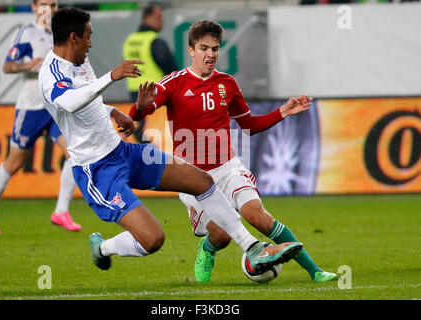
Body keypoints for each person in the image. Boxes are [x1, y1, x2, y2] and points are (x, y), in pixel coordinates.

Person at [38, 7, 303, 277]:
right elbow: (69, 102)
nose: (91, 42)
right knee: (153, 239)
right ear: (73, 38)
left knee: (201, 180)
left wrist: (113, 111)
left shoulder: (80, 60)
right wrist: (111, 77)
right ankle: (103, 248)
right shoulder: (50, 74)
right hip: (96, 169)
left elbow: (86, 98)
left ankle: (253, 247)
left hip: (123, 152)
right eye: (88, 36)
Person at [129, 20, 338, 283]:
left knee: (259, 218)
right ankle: (207, 248)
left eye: (215, 49)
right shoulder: (174, 83)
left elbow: (249, 125)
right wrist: (139, 107)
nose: (210, 54)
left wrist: (284, 111)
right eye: (204, 48)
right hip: (191, 177)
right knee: (221, 235)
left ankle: (315, 271)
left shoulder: (227, 83)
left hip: (228, 167)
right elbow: (137, 114)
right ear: (191, 50)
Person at [0, 0, 81, 235]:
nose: (50, 9)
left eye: (53, 5)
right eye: (44, 4)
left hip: (56, 106)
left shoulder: (62, 34)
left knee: (74, 152)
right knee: (15, 162)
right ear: (35, 7)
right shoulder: (27, 33)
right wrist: (28, 65)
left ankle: (61, 211)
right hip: (31, 107)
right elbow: (7, 66)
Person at [123, 2, 177, 143]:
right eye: (158, 17)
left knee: (141, 131)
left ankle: (147, 153)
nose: (162, 21)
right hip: (154, 94)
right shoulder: (155, 41)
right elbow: (171, 69)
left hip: (133, 94)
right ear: (147, 18)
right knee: (157, 133)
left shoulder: (130, 41)